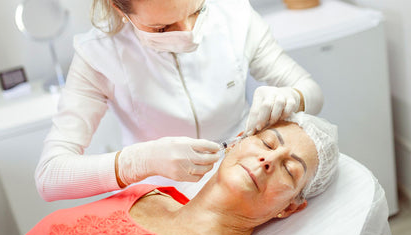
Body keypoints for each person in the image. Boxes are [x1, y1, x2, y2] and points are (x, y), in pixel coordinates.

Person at [35, 0, 324, 202]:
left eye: (197, 10)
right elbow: (50, 176)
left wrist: (292, 97)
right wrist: (139, 162)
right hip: (156, 200)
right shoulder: (98, 54)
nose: (188, 33)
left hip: (240, 188)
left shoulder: (235, 14)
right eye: (162, 28)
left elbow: (310, 90)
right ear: (119, 10)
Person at [0, 113, 338, 235]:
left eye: (289, 170)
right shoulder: (144, 192)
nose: (268, 160)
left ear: (289, 208)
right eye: (266, 143)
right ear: (237, 140)